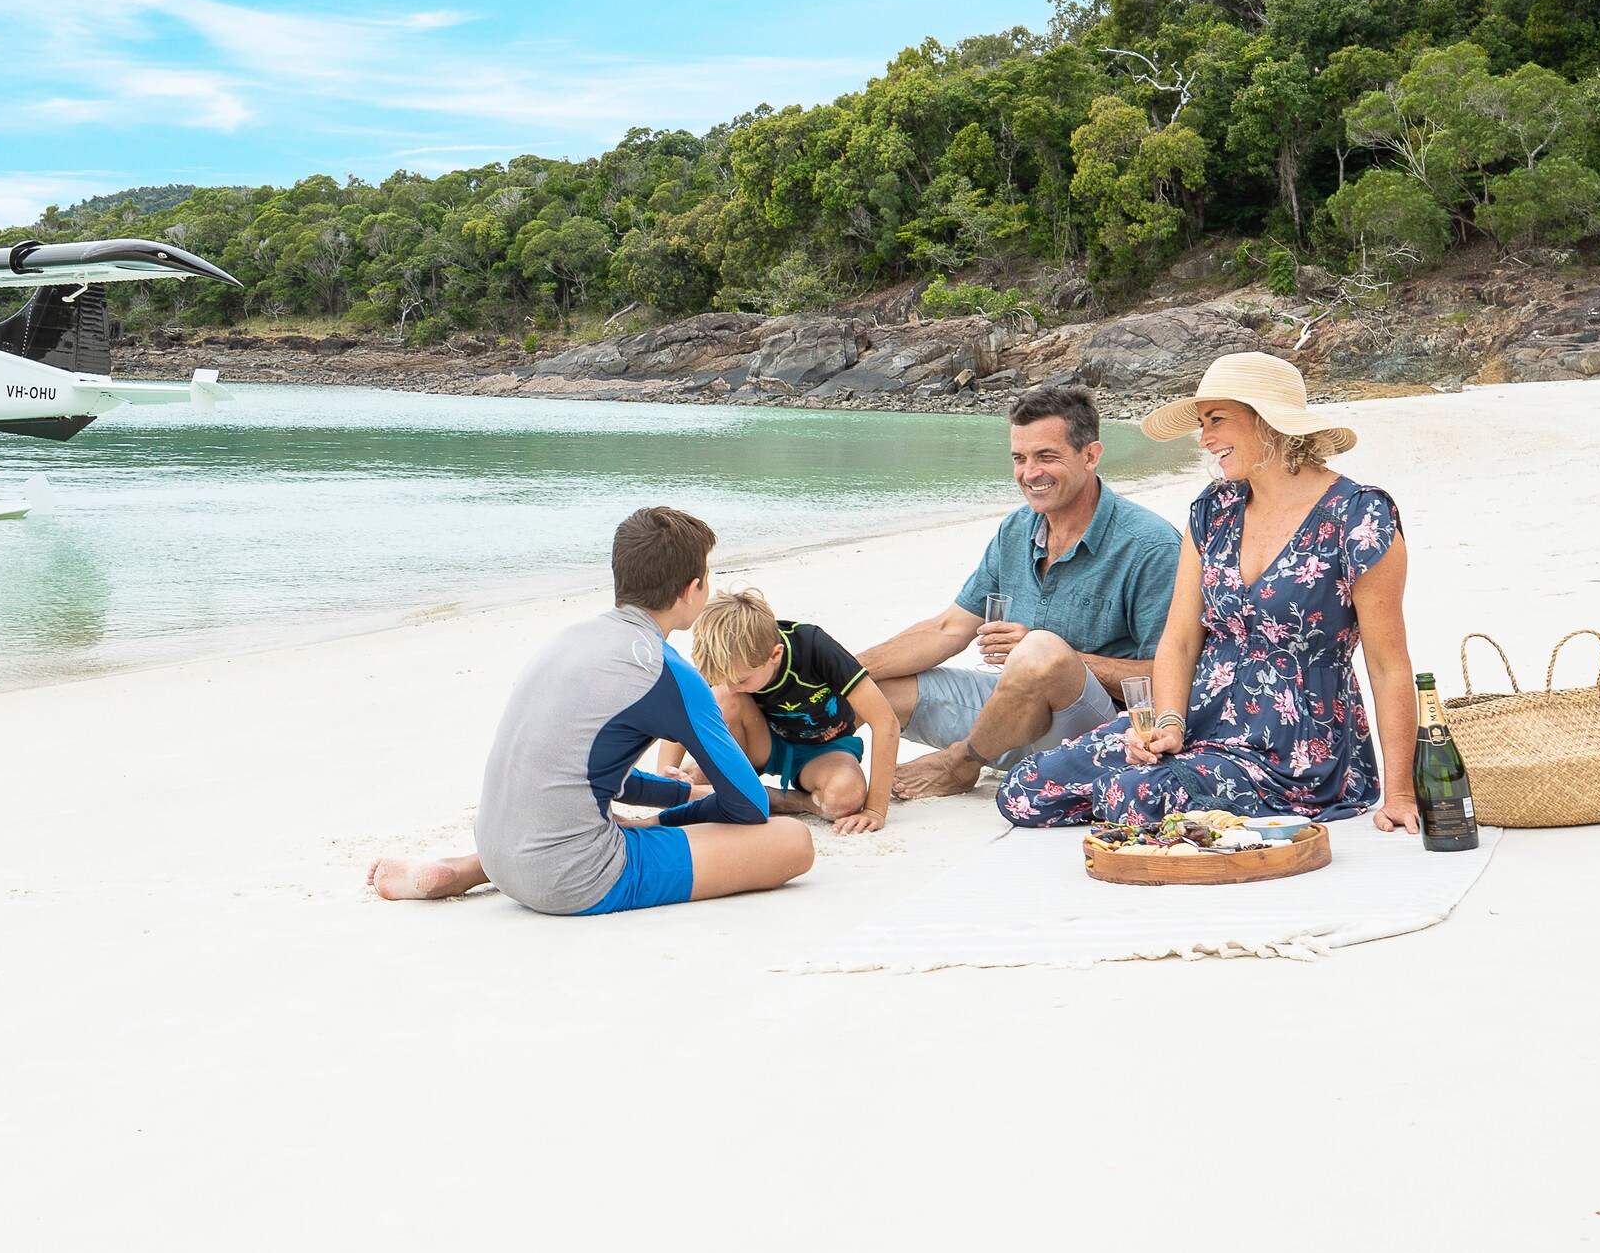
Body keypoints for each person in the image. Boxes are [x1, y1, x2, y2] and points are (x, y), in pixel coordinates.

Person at [996, 352, 1422, 830]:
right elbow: (1178, 640)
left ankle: (1172, 797)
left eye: (1217, 420)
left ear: (1270, 423)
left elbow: (1388, 665)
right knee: (1025, 789)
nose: (1205, 439)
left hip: (1297, 747)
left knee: (1132, 796)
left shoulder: (1359, 517)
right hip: (1199, 718)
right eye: (1202, 423)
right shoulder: (1213, 511)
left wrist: (1400, 792)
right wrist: (1168, 725)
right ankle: (1172, 785)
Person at [368, 506, 817, 912]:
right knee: (791, 841)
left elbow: (587, 771)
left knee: (596, 815)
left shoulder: (570, 639)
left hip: (498, 848)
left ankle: (470, 869)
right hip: (578, 879)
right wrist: (662, 819)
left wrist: (675, 794)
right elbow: (750, 806)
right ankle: (589, 848)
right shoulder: (668, 672)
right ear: (691, 590)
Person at [846, 384, 1182, 800]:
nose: (1029, 473)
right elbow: (947, 628)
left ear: (1090, 455)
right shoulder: (1016, 529)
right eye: (1020, 459)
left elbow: (1171, 675)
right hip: (1011, 722)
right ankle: (820, 778)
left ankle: (961, 764)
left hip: (1100, 735)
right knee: (869, 688)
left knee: (1041, 651)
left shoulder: (1150, 546)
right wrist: (842, 668)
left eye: (1046, 457)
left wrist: (1052, 660)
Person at [664, 589, 899, 835]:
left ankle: (778, 799)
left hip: (824, 748)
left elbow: (885, 722)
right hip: (762, 740)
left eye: (742, 680)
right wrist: (667, 772)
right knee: (699, 764)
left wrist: (875, 810)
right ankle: (753, 789)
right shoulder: (726, 661)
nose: (733, 687)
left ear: (775, 654)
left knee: (845, 798)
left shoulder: (813, 646)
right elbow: (684, 707)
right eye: (726, 678)